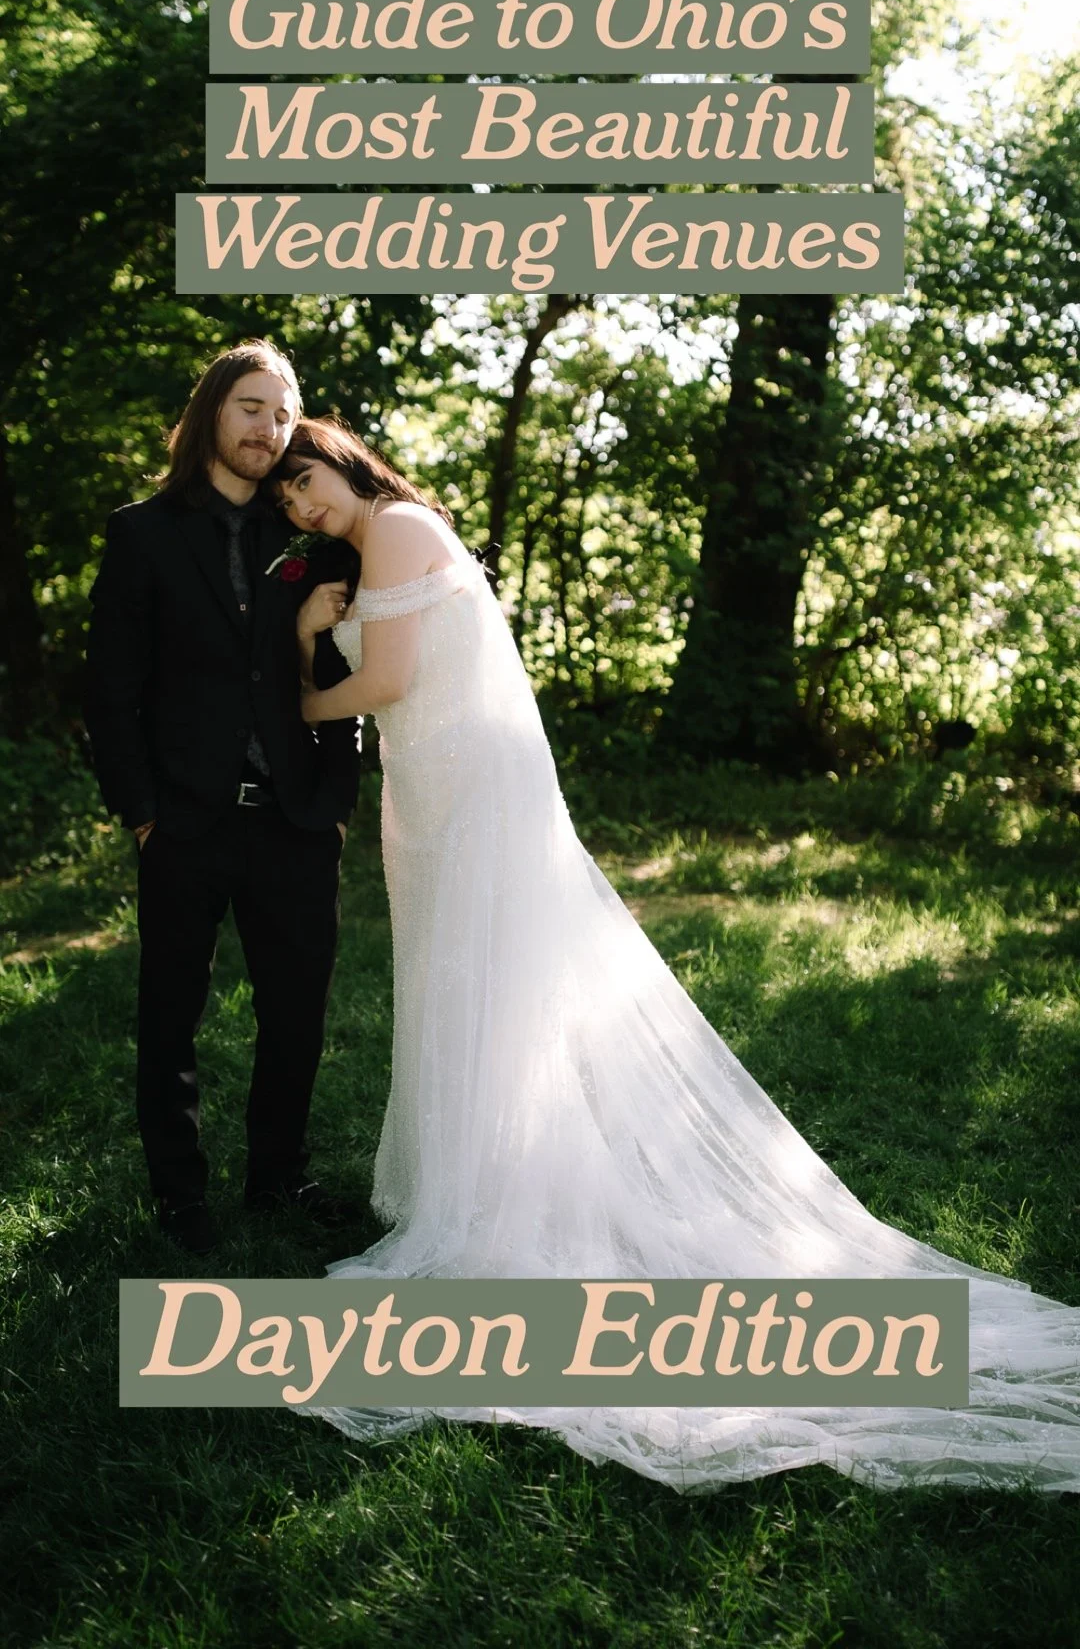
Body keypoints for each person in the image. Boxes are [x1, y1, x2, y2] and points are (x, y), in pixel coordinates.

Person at [272, 414, 1080, 1496]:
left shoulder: (399, 527)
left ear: (345, 459)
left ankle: (499, 1197)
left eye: (307, 477)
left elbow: (386, 682)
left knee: (485, 979)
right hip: (435, 790)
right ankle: (478, 1174)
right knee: (463, 982)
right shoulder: (373, 547)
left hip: (468, 789)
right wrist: (312, 630)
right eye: (285, 496)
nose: (301, 502)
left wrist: (298, 688)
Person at [83, 342, 362, 1256]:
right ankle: (180, 1197)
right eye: (252, 407)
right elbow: (110, 689)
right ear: (212, 410)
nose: (268, 428)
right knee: (170, 1016)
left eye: (283, 414)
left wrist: (336, 795)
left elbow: (344, 662)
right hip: (185, 819)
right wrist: (142, 812)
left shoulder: (310, 533)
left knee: (296, 1012)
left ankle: (279, 1176)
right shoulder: (143, 533)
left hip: (296, 817)